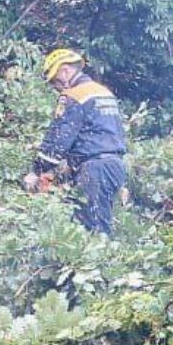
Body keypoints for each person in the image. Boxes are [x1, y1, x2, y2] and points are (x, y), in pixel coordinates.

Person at [23, 48, 128, 234]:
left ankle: (103, 262)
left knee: (95, 230)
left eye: (55, 80)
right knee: (95, 221)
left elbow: (58, 140)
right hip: (115, 165)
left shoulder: (75, 95)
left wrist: (36, 171)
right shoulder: (103, 92)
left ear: (65, 70)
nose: (55, 86)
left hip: (95, 169)